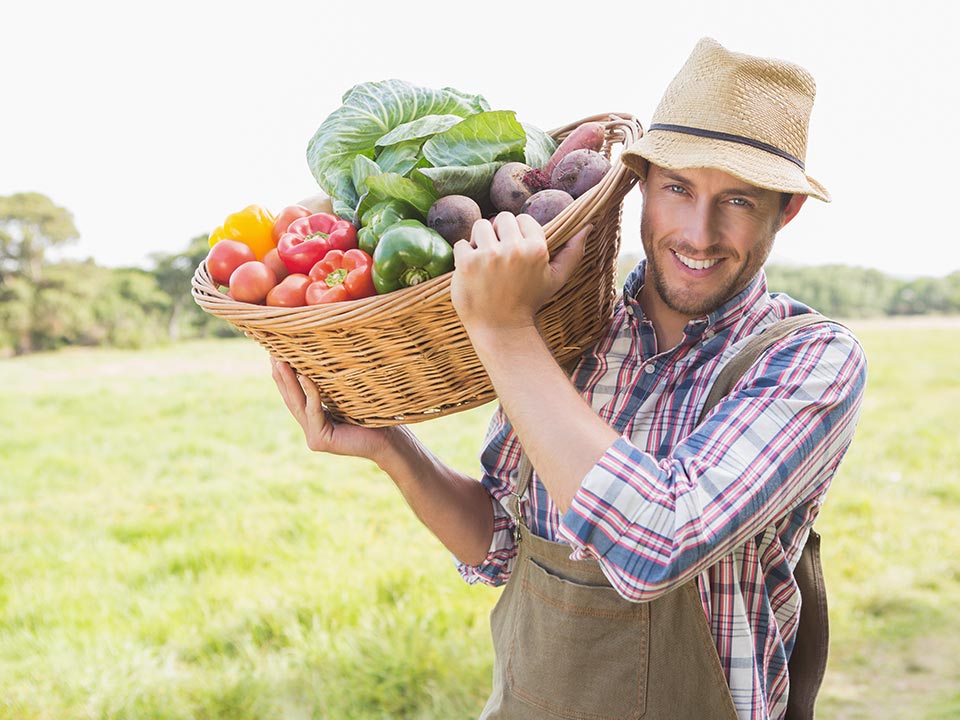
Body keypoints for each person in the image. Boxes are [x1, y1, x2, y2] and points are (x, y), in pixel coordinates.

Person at [271, 37, 867, 720]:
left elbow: (658, 543)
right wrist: (387, 444)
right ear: (639, 184)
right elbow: (502, 546)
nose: (699, 234)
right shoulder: (569, 334)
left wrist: (504, 332)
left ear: (784, 210)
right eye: (678, 189)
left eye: (737, 201)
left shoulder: (809, 360)